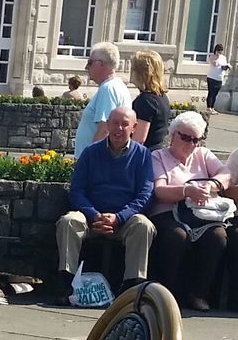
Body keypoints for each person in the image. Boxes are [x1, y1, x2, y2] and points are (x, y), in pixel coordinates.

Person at [52, 106, 155, 305]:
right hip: (92, 217)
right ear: (107, 124)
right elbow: (77, 190)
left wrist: (119, 217)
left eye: (125, 124)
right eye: (115, 123)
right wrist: (94, 214)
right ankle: (67, 284)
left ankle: (131, 289)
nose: (119, 128)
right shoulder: (90, 153)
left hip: (124, 219)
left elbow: (145, 194)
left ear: (133, 128)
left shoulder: (143, 155)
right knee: (68, 221)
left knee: (144, 225)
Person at [148, 112, 232, 311]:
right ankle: (168, 294)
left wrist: (213, 185)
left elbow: (227, 173)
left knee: (218, 236)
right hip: (167, 211)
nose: (190, 144)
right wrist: (187, 191)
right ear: (172, 135)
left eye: (195, 139)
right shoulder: (158, 156)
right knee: (177, 236)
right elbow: (159, 190)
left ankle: (199, 294)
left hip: (200, 215)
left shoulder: (203, 155)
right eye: (185, 137)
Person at [72, 41, 131, 158]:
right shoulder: (117, 86)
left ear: (101, 64)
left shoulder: (108, 89)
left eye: (90, 62)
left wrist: (91, 161)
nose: (86, 67)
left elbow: (105, 130)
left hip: (95, 164)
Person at [130, 49, 171, 151]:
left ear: (142, 73)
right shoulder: (161, 97)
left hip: (145, 157)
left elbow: (138, 140)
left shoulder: (146, 101)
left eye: (133, 69)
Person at [206, 43, 229, 116]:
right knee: (211, 92)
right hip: (212, 77)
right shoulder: (212, 56)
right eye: (218, 50)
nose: (220, 52)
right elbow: (214, 64)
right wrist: (216, 56)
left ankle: (212, 107)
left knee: (215, 94)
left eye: (221, 51)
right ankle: (208, 107)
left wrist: (226, 67)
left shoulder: (223, 58)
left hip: (219, 78)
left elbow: (224, 66)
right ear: (216, 50)